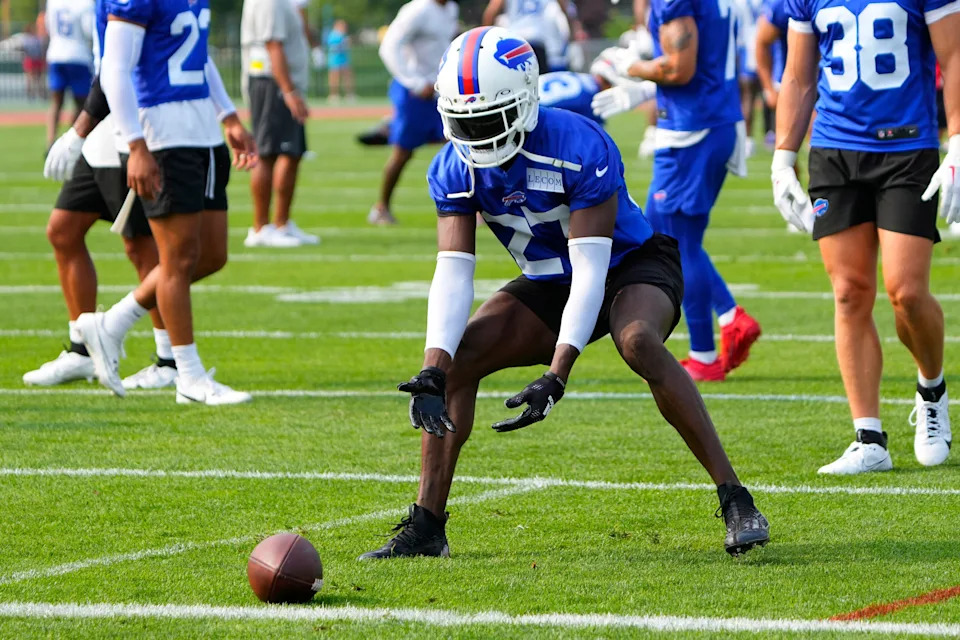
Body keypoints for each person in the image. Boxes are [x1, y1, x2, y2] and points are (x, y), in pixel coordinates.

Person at [359, 27, 769, 560]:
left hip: (630, 265)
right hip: (550, 280)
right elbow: (454, 271)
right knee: (457, 363)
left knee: (639, 340)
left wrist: (557, 374)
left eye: (489, 117)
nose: (477, 132)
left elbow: (592, 271)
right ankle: (426, 527)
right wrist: (433, 367)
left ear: (525, 103)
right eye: (466, 119)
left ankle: (736, 498)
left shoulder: (578, 144)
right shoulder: (452, 167)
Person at [772, 0, 957, 473]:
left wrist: (957, 138)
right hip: (834, 149)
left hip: (907, 146)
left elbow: (953, 56)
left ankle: (931, 390)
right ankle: (869, 437)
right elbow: (798, 75)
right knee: (850, 293)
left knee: (906, 292)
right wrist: (782, 155)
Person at [79, 0, 257, 405]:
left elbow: (198, 55)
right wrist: (137, 144)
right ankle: (188, 378)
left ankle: (112, 323)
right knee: (176, 260)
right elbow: (114, 69)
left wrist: (228, 116)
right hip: (161, 133)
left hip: (202, 132)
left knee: (211, 255)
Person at [591, 0, 762, 382]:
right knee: (677, 238)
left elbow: (678, 69)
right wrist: (639, 92)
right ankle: (729, 319)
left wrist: (627, 68)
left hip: (692, 130)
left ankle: (705, 352)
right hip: (712, 120)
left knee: (672, 243)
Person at [25, 84, 174, 390]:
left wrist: (77, 131)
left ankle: (170, 359)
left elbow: (113, 68)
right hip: (98, 139)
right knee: (62, 231)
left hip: (124, 137)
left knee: (141, 247)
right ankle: (82, 350)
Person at [369, 0, 458, 226]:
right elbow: (389, 46)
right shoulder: (417, 10)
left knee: (461, 146)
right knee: (402, 153)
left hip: (442, 90)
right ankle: (381, 207)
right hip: (415, 93)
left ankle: (475, 209)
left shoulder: (450, 9)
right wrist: (415, 82)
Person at [241, 0, 318, 247]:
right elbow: (273, 44)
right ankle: (261, 227)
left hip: (279, 82)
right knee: (269, 153)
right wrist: (288, 90)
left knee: (292, 152)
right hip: (271, 81)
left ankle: (282, 223)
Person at [44, 0, 95, 150]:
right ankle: (70, 143)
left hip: (56, 53)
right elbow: (89, 30)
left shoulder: (53, 2)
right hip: (77, 55)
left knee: (56, 102)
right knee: (80, 104)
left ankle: (51, 142)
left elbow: (49, 26)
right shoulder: (85, 3)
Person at [482, 0, 573, 71]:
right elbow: (565, 9)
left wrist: (486, 41)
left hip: (517, 42)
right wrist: (571, 30)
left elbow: (491, 13)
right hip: (539, 39)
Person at [326, 19, 355, 102]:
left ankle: (349, 94)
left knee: (347, 77)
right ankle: (334, 95)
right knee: (334, 78)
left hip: (344, 60)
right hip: (335, 60)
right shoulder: (333, 35)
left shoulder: (343, 35)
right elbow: (334, 46)